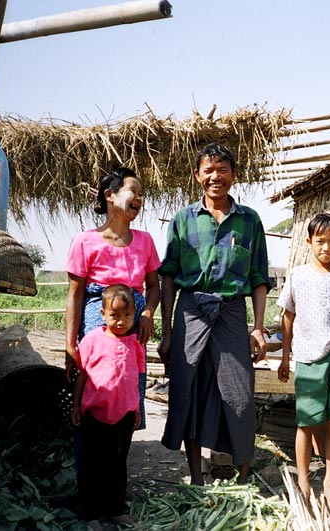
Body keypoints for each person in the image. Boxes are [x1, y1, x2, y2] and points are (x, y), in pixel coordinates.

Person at [158, 142, 271, 485]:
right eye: (208, 170)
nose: (215, 177)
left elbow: (259, 277)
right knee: (189, 391)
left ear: (234, 176)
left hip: (232, 312)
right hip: (191, 311)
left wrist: (259, 327)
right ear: (197, 176)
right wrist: (165, 332)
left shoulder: (249, 220)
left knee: (240, 394)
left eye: (222, 170)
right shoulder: (183, 220)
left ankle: (243, 477)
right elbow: (168, 277)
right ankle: (196, 476)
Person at [64, 167, 161, 429]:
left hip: (134, 328)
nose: (139, 199)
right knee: (96, 387)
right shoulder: (85, 241)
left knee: (129, 381)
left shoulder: (145, 241)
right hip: (97, 327)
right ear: (110, 194)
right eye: (133, 192)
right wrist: (71, 343)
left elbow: (154, 287)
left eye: (142, 195)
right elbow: (75, 295)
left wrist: (147, 313)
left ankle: (123, 447)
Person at [276, 212, 330, 511]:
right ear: (308, 242)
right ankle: (304, 481)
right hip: (308, 355)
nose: (326, 247)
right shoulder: (297, 275)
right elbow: (288, 317)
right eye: (320, 241)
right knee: (306, 422)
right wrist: (285, 357)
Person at [71, 284, 144, 529]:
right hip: (94, 415)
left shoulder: (135, 345)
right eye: (115, 315)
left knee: (117, 465)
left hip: (123, 417)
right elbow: (81, 376)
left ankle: (115, 510)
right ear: (102, 314)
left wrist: (137, 408)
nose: (121, 321)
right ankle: (90, 513)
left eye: (126, 315)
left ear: (134, 314)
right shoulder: (91, 341)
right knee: (91, 465)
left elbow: (135, 379)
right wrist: (75, 406)